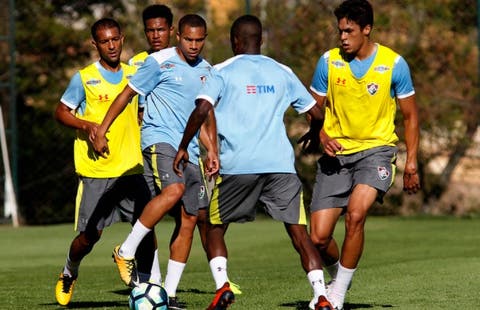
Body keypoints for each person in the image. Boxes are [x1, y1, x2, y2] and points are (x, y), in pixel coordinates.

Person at [173, 14, 333, 310]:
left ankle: (222, 285)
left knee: (215, 226)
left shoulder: (221, 70)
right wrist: (313, 133)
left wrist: (183, 146)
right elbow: (317, 113)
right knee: (299, 232)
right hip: (280, 166)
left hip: (238, 165)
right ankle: (322, 295)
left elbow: (201, 110)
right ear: (261, 40)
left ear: (234, 41)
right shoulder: (282, 71)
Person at [91, 14, 218, 309]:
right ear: (178, 37)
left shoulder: (208, 71)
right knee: (172, 191)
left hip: (190, 150)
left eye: (200, 40)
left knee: (189, 218)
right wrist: (102, 130)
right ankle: (126, 250)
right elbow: (126, 95)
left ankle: (169, 294)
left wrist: (212, 151)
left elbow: (203, 115)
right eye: (189, 39)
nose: (194, 45)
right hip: (159, 140)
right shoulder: (158, 61)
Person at [305, 0, 421, 309]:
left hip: (377, 152)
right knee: (318, 238)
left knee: (356, 215)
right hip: (336, 156)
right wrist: (322, 134)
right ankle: (337, 277)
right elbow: (313, 108)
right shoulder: (328, 62)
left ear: (366, 30)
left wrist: (411, 162)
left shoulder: (394, 64)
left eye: (349, 31)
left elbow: (410, 117)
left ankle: (338, 294)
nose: (342, 37)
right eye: (340, 31)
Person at [54, 18, 158, 306]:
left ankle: (149, 287)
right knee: (89, 237)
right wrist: (88, 127)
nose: (111, 45)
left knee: (146, 228)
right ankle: (68, 272)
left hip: (131, 167)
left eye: (115, 39)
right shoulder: (84, 77)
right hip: (97, 171)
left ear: (122, 39)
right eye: (104, 41)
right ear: (95, 44)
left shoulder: (133, 75)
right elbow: (61, 112)